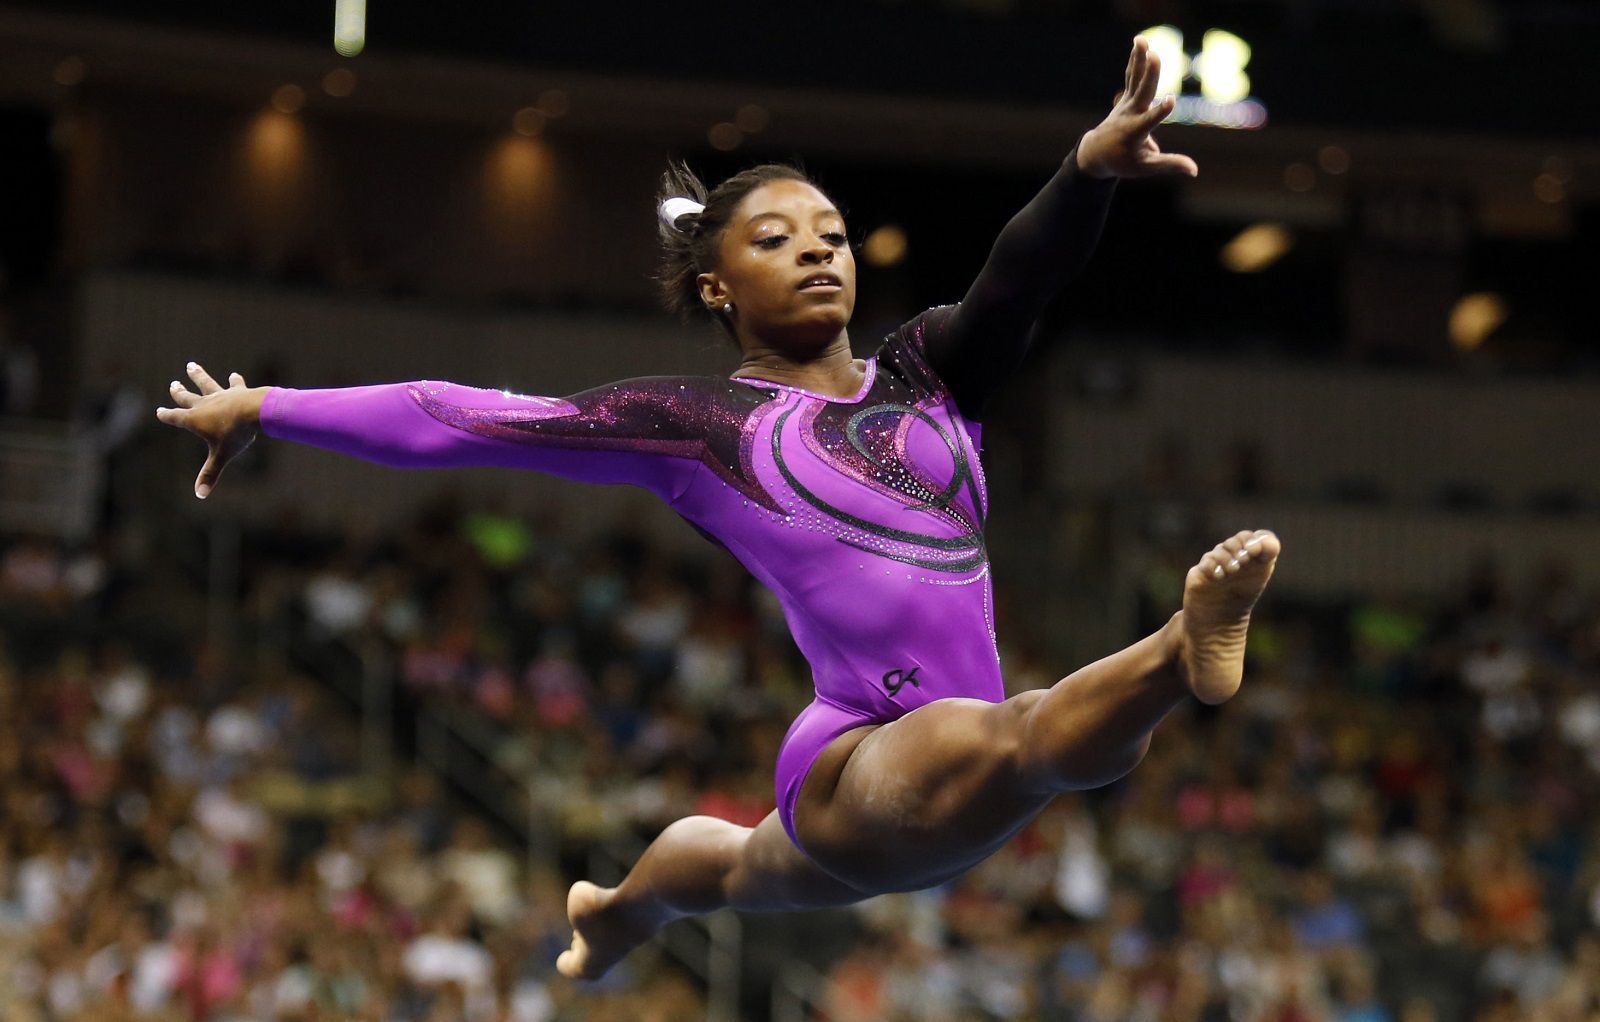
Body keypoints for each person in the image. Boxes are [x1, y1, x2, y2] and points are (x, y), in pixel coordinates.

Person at [156, 38, 1280, 981]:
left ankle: (619, 911)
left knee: (745, 865)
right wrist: (267, 406)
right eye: (774, 240)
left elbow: (1018, 279)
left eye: (831, 233)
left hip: (932, 783)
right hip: (863, 760)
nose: (817, 250)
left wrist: (1084, 172)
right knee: (1037, 739)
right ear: (716, 286)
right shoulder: (701, 423)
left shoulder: (929, 372)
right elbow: (467, 417)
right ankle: (1178, 649)